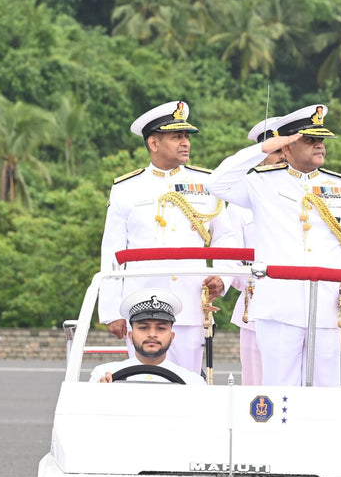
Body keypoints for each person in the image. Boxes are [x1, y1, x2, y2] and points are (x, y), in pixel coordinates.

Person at [99, 100, 294, 374]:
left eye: (187, 136)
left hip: (189, 302)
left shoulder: (207, 182)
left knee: (187, 379)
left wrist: (222, 278)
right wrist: (111, 311)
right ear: (153, 143)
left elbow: (226, 237)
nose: (185, 143)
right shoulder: (126, 187)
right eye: (176, 137)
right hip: (141, 302)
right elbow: (112, 250)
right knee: (141, 379)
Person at [218, 105, 341, 387]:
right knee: (279, 391)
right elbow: (217, 183)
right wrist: (262, 149)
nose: (319, 145)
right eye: (309, 140)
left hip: (327, 307)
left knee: (325, 391)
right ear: (287, 147)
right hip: (279, 308)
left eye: (321, 140)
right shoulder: (260, 183)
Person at [224, 116, 288, 386]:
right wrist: (254, 283)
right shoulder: (241, 201)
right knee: (256, 388)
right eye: (275, 151)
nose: (282, 157)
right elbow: (230, 259)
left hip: (299, 305)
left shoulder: (306, 194)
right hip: (256, 307)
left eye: (286, 150)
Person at [89, 288, 205, 385]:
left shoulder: (193, 382)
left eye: (161, 328)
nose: (152, 334)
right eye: (143, 328)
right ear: (130, 336)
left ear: (172, 337)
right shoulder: (103, 375)